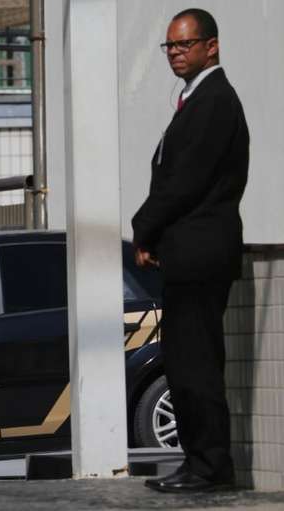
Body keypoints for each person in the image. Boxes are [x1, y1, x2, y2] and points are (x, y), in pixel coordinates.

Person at [132, 8, 248, 493]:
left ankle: (209, 467)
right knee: (183, 362)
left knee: (195, 363)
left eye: (185, 44)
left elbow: (183, 182)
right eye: (170, 47)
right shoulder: (192, 99)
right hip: (188, 252)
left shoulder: (215, 101)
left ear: (211, 46)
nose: (176, 53)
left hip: (202, 252)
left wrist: (143, 229)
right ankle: (198, 460)